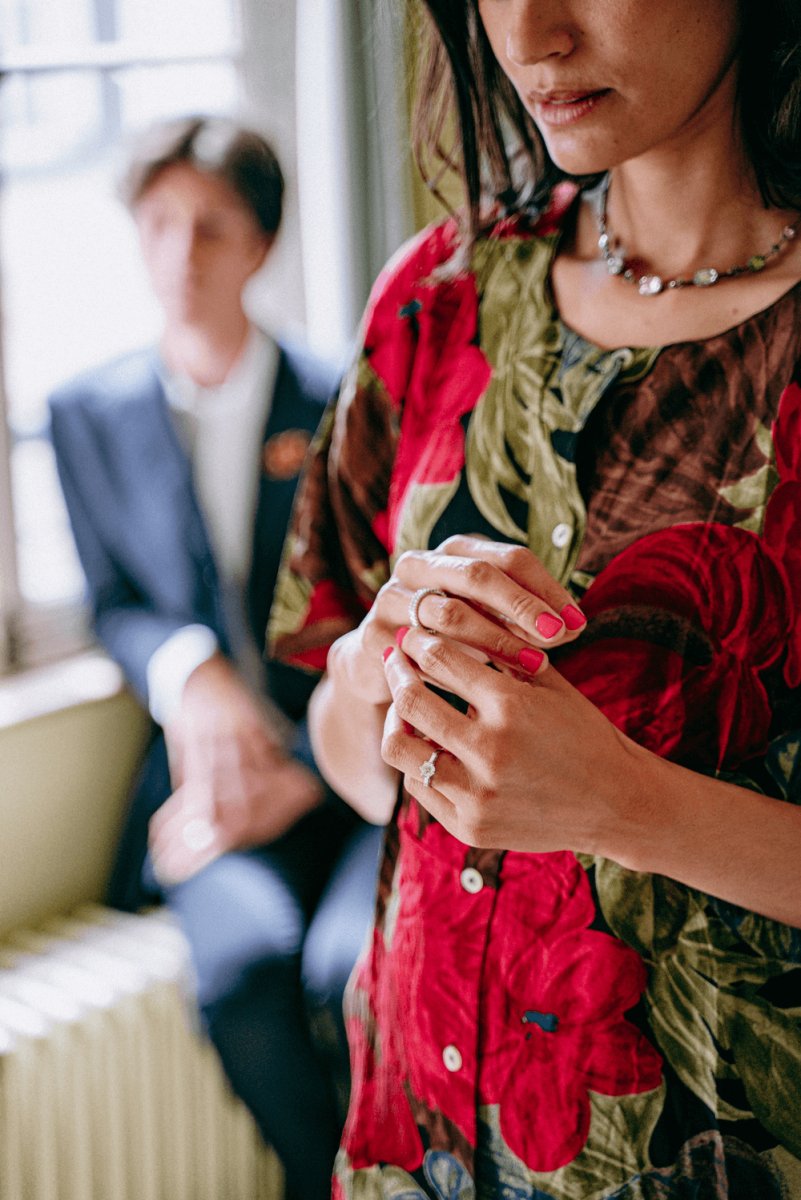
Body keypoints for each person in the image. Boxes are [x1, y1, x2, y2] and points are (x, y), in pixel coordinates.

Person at [268, 1, 801, 1196]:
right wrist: (373, 673)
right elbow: (352, 770)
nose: (529, 35)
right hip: (415, 1137)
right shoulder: (435, 300)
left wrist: (628, 806)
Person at [48, 115, 382, 1200]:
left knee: (350, 974)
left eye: (210, 228)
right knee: (239, 975)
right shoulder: (86, 412)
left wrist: (305, 773)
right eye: (157, 226)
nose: (178, 257)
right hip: (212, 788)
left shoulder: (342, 396)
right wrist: (188, 666)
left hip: (354, 786)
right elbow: (117, 604)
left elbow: (379, 607)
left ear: (261, 246)